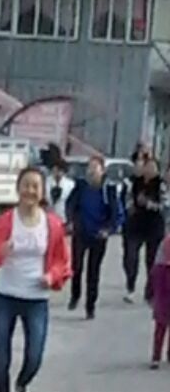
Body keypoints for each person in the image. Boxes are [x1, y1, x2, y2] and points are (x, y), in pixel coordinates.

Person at [0, 167, 72, 392]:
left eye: (35, 186)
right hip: (5, 296)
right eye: (25, 185)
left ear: (42, 191)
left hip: (36, 298)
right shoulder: (5, 221)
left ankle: (22, 385)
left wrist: (51, 277)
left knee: (34, 355)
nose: (30, 191)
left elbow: (63, 260)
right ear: (17, 189)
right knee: (2, 357)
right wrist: (1, 252)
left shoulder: (52, 224)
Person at [66, 155, 122, 320]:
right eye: (89, 168)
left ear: (102, 170)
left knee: (93, 271)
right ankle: (75, 294)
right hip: (81, 232)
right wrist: (70, 221)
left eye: (94, 168)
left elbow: (116, 213)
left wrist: (108, 229)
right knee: (76, 266)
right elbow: (70, 204)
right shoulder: (81, 186)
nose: (91, 171)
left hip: (98, 235)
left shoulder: (108, 189)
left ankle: (90, 306)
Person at [123, 154, 165, 304]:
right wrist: (130, 207)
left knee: (151, 260)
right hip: (135, 225)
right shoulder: (135, 182)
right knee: (131, 257)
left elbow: (164, 205)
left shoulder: (161, 185)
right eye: (148, 166)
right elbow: (127, 198)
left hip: (154, 226)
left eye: (153, 167)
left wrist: (148, 204)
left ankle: (150, 291)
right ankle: (130, 286)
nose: (150, 170)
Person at [147, 232, 170, 368]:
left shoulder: (165, 243)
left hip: (161, 279)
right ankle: (157, 355)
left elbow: (154, 271)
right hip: (163, 278)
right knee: (161, 323)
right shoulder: (166, 243)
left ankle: (157, 356)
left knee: (161, 324)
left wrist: (150, 292)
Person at [48, 159, 74, 223]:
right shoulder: (46, 182)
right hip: (49, 217)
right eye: (54, 170)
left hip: (64, 218)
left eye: (58, 170)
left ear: (63, 171)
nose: (56, 173)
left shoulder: (71, 184)